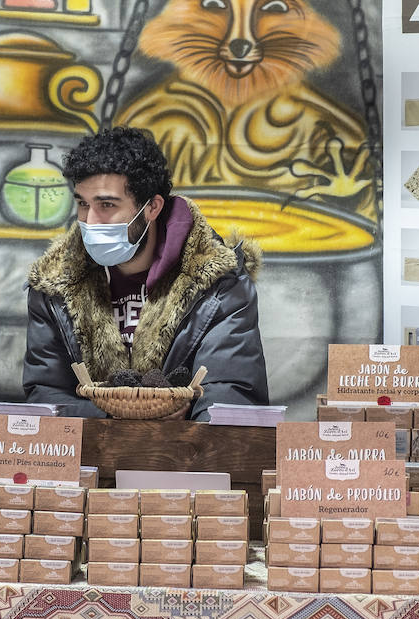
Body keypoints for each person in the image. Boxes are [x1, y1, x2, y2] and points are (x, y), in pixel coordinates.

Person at [22, 127, 268, 419]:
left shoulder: (218, 283)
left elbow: (230, 397)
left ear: (152, 207)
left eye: (107, 205)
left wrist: (184, 427)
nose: (90, 221)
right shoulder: (55, 284)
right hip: (88, 459)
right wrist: (128, 421)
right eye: (83, 204)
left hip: (183, 460)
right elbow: (45, 396)